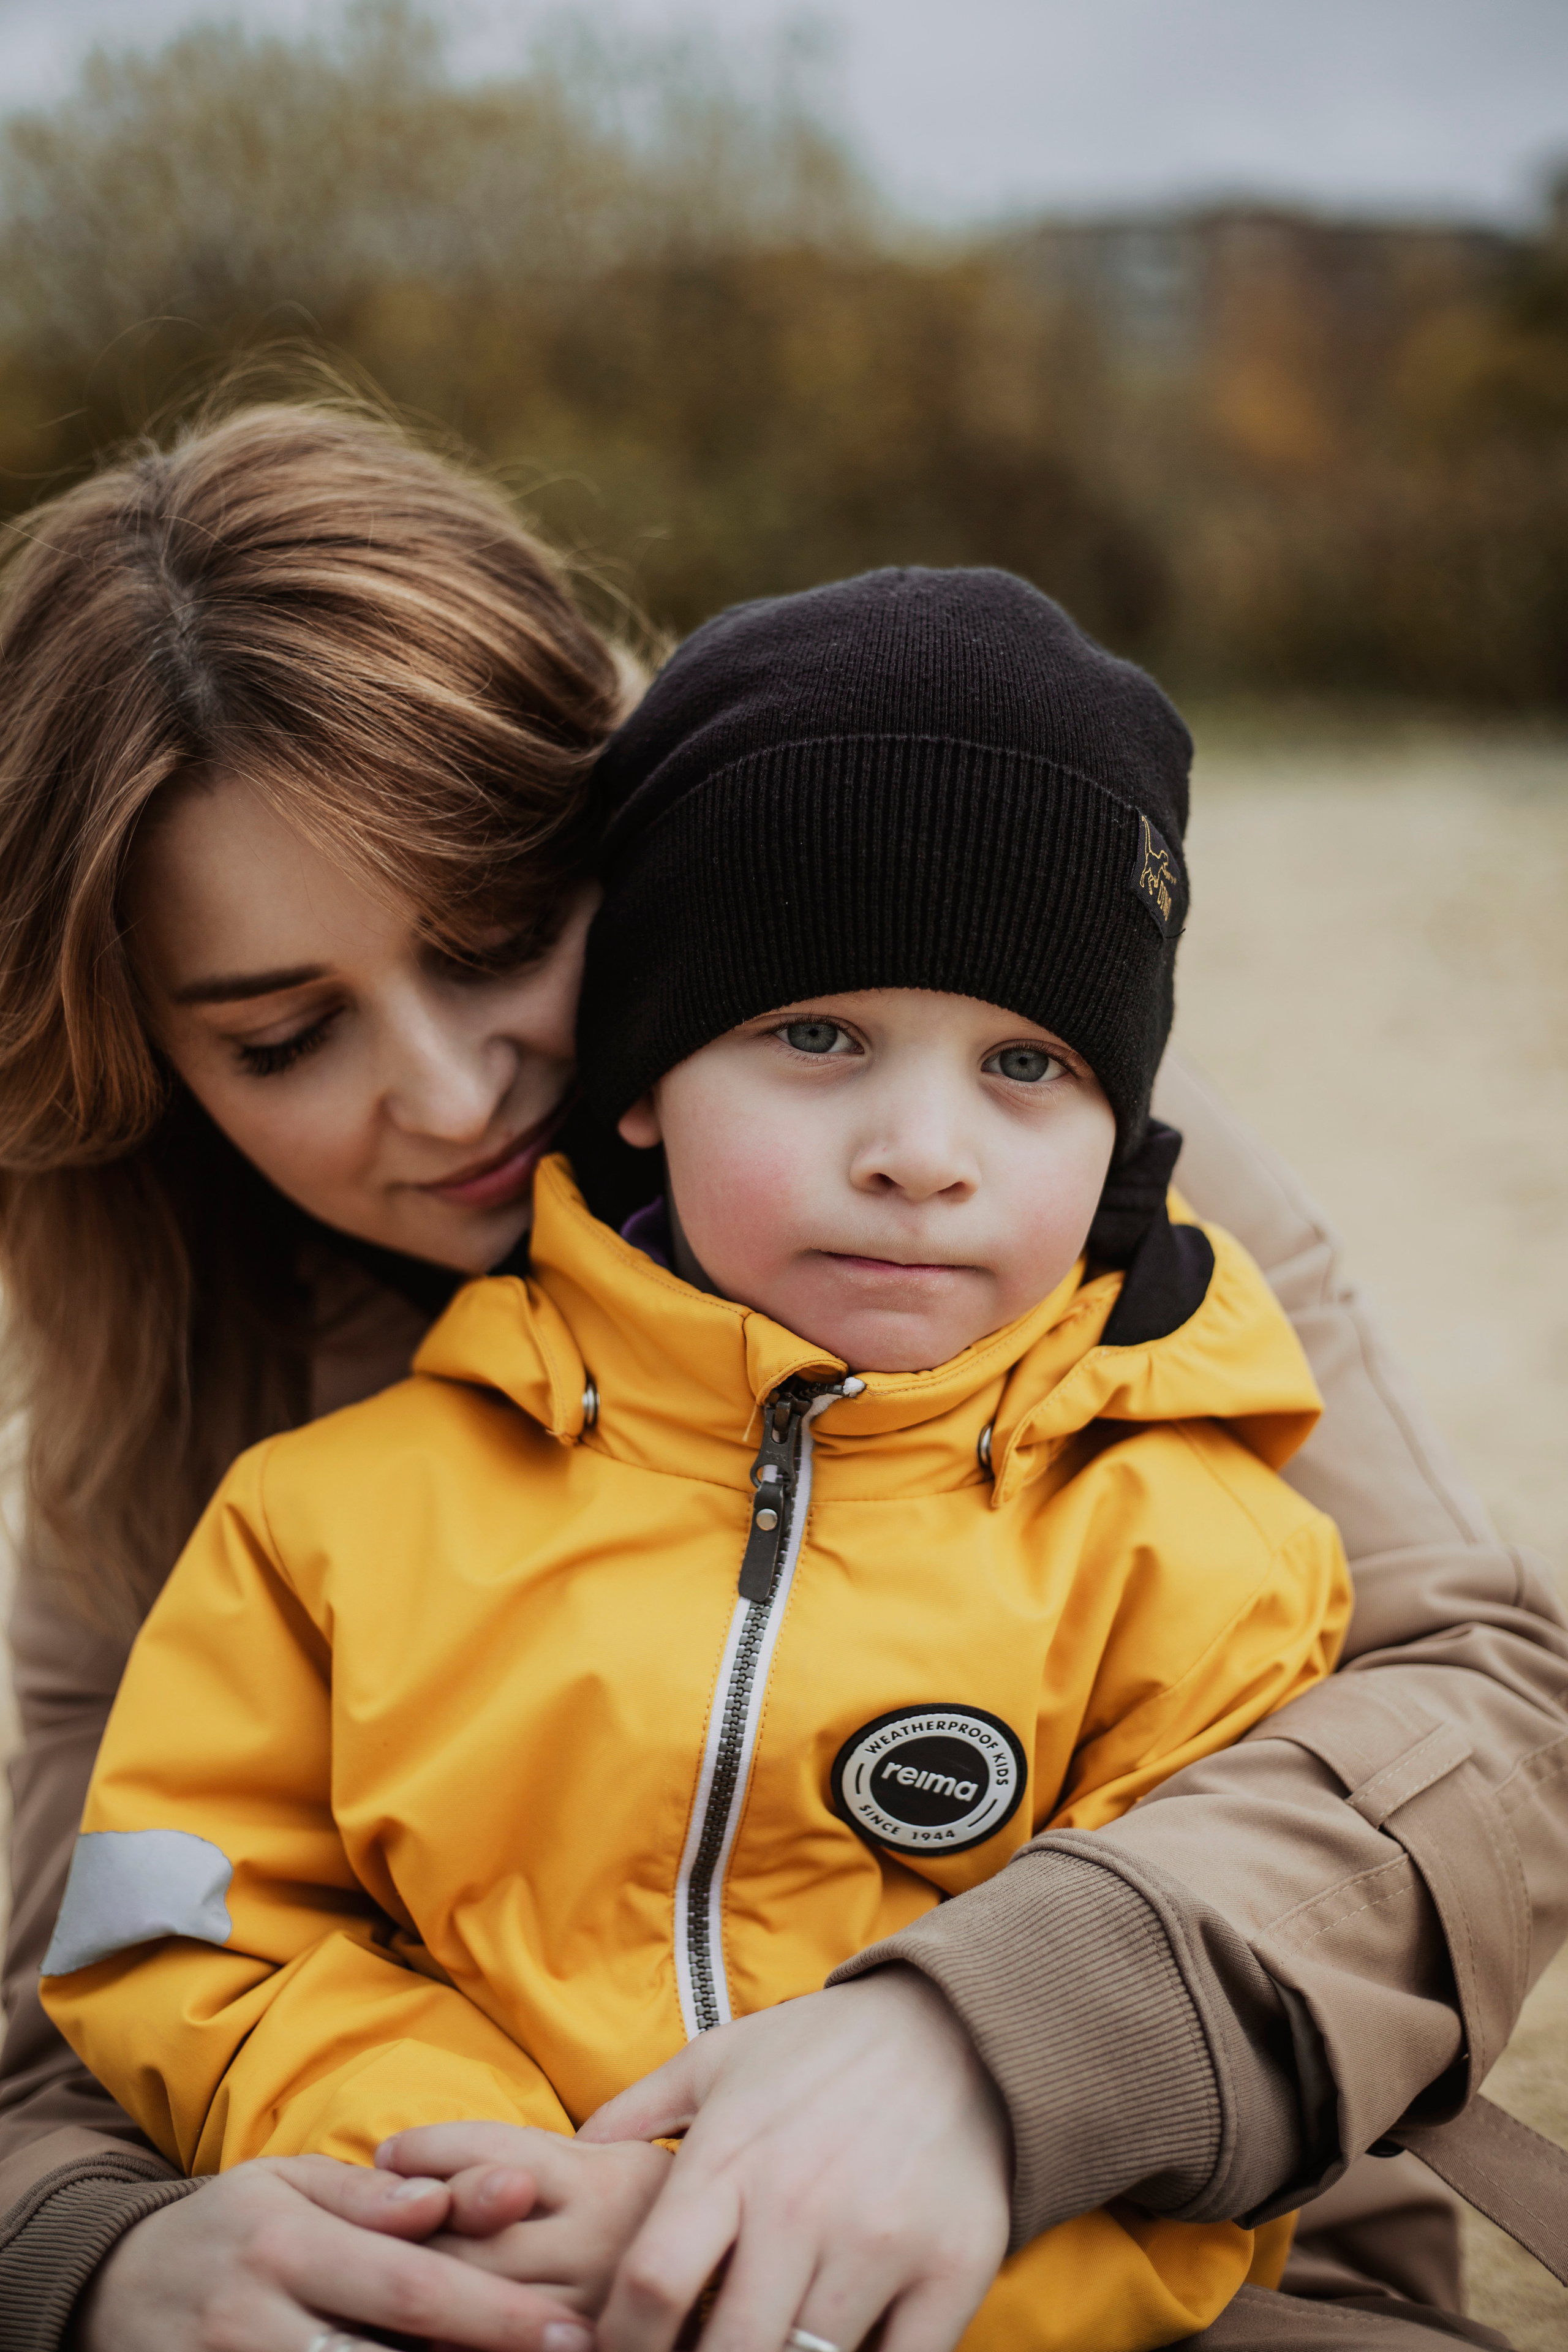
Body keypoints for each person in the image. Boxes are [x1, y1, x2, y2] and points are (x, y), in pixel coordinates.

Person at [0, 418, 1564, 2352]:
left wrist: (988, 2046)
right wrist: (95, 2257)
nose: (449, 1088)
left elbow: (1481, 1706)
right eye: (288, 1035)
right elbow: (103, 1964)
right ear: (145, 1059)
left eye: (497, 945)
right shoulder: (207, 1416)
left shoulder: (1050, 1192)